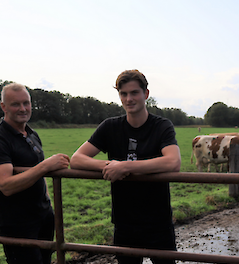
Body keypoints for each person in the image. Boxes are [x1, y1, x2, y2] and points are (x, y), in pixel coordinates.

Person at [70, 70, 181, 264]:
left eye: (134, 93)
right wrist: (110, 166)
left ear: (146, 94)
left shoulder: (162, 126)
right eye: (123, 94)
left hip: (158, 221)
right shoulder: (110, 127)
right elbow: (77, 159)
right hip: (124, 221)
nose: (129, 99)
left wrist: (125, 167)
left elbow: (173, 162)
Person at [0, 83, 70, 264]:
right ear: (3, 106)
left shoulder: (31, 134)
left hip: (42, 216)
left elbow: (38, 175)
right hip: (17, 223)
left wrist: (47, 203)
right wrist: (45, 166)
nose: (23, 109)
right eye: (16, 104)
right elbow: (6, 185)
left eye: (26, 103)